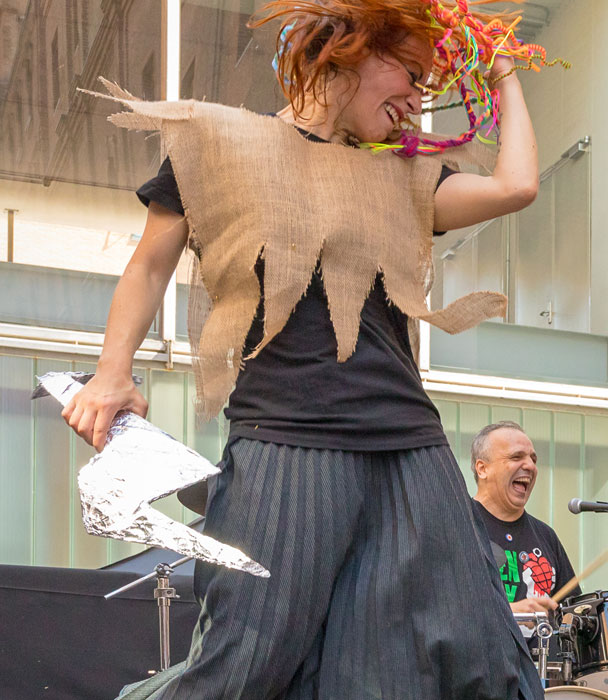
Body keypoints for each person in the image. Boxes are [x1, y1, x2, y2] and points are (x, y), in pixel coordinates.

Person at [62, 1, 545, 697]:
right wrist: (113, 375)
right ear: (349, 54)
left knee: (479, 662)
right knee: (243, 668)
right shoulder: (218, 143)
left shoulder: (401, 174)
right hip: (286, 437)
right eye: (408, 73)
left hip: (408, 444)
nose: (416, 97)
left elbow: (516, 184)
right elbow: (147, 266)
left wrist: (502, 66)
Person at [469, 421, 578, 615]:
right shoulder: (458, 526)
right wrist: (510, 613)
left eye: (533, 459)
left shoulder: (546, 536)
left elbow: (573, 614)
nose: (530, 466)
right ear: (482, 469)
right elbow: (441, 611)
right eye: (516, 457)